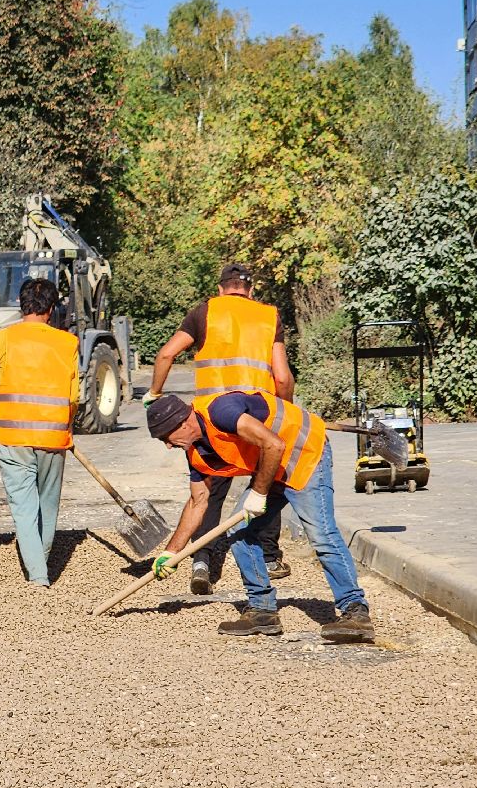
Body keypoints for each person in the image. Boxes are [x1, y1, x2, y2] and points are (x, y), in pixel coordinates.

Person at [145, 392, 375, 644]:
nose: (167, 446)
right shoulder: (196, 452)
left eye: (166, 438)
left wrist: (258, 493)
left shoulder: (220, 412)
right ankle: (262, 610)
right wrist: (171, 552)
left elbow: (275, 444)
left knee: (321, 534)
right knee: (239, 531)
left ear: (183, 423)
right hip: (271, 467)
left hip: (305, 454)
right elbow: (197, 501)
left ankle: (356, 611)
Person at [143, 262, 294, 594]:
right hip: (258, 417)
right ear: (250, 290)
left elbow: (167, 354)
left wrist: (153, 394)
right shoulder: (269, 316)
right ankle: (268, 557)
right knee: (266, 482)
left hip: (210, 420)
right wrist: (285, 413)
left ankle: (202, 561)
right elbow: (282, 377)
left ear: (221, 288)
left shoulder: (204, 312)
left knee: (207, 492)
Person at [0, 278, 79, 587]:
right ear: (51, 309)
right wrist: (67, 429)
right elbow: (74, 397)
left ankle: (37, 577)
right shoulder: (67, 343)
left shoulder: (2, 339)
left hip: (14, 439)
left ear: (21, 307)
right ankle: (39, 564)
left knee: (25, 509)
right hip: (54, 438)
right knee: (48, 507)